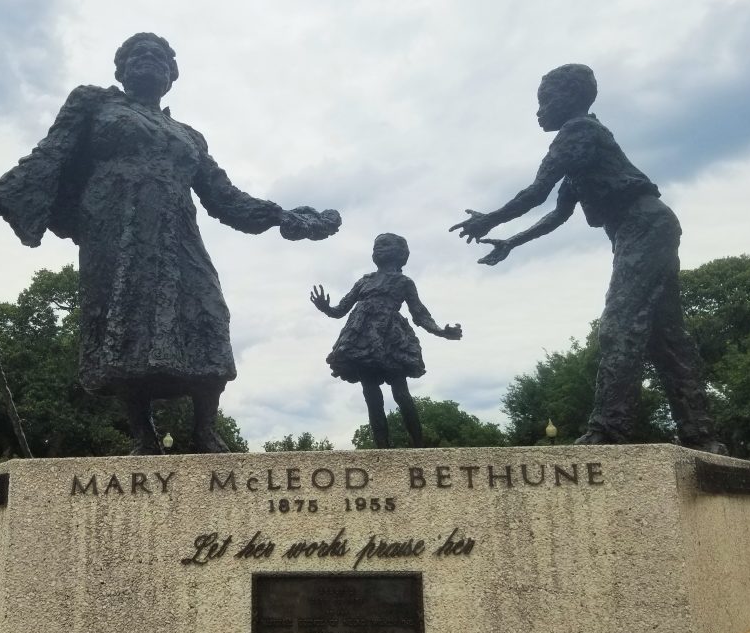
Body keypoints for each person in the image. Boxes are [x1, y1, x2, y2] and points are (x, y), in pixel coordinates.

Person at [0, 32, 340, 453]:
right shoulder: (95, 103)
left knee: (207, 312)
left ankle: (204, 428)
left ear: (172, 75)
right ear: (121, 69)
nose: (148, 60)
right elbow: (47, 155)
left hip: (177, 232)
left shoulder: (189, 135)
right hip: (116, 228)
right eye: (138, 55)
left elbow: (225, 198)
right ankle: (143, 435)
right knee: (124, 322)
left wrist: (282, 215)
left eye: (159, 57)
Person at [450, 64, 723, 452]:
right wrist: (510, 241)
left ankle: (609, 429)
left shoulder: (578, 132)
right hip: (642, 228)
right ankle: (701, 434)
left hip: (644, 226)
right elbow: (557, 215)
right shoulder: (581, 154)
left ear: (571, 98)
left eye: (546, 101)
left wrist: (490, 218)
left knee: (619, 325)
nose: (539, 111)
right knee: (666, 336)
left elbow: (536, 191)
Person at [310, 233, 462, 448]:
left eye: (384, 245)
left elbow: (420, 314)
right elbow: (340, 309)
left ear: (400, 253)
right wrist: (325, 307)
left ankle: (419, 446)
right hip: (361, 340)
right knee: (371, 396)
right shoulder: (364, 281)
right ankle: (382, 449)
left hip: (390, 341)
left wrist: (441, 331)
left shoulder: (404, 282)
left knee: (401, 393)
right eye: (375, 246)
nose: (377, 249)